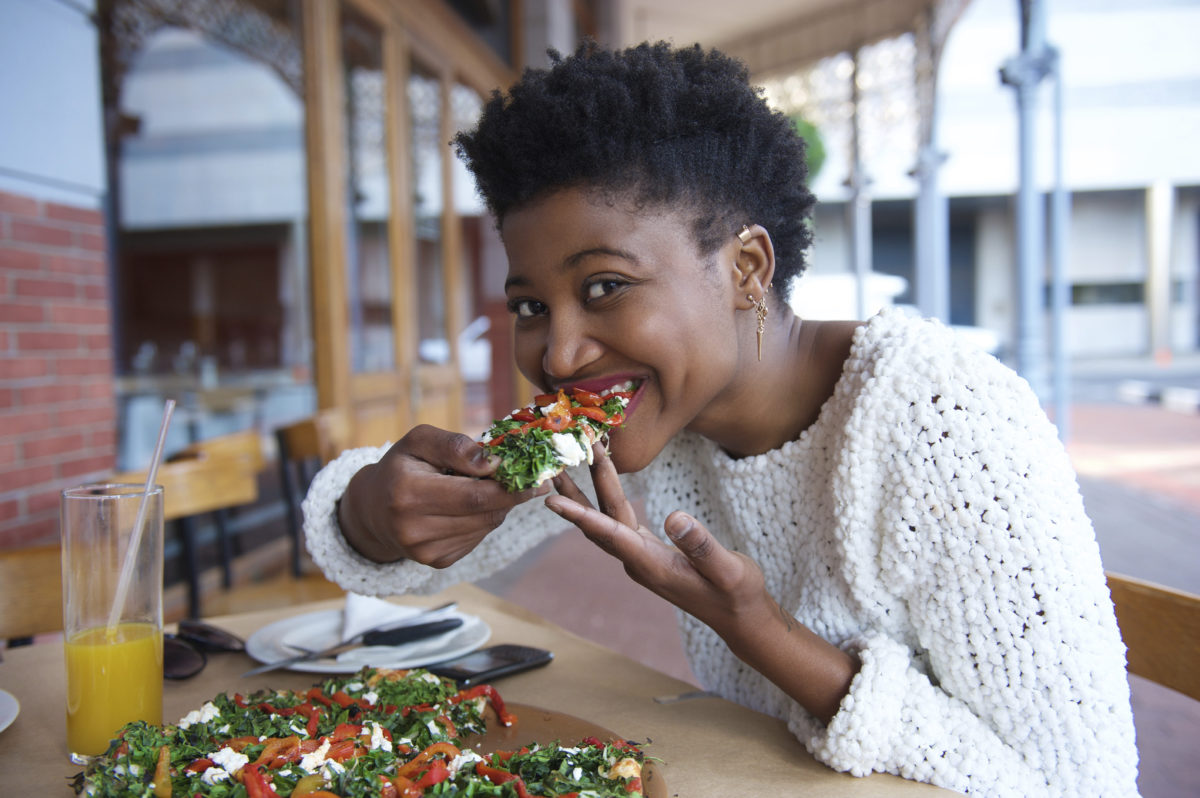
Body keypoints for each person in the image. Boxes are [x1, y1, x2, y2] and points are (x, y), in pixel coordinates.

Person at [303, 41, 1139, 796]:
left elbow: (1081, 786)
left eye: (604, 287)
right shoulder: (634, 417)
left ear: (746, 267)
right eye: (530, 304)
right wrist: (377, 508)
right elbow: (397, 559)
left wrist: (763, 634)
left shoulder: (944, 419)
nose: (557, 356)